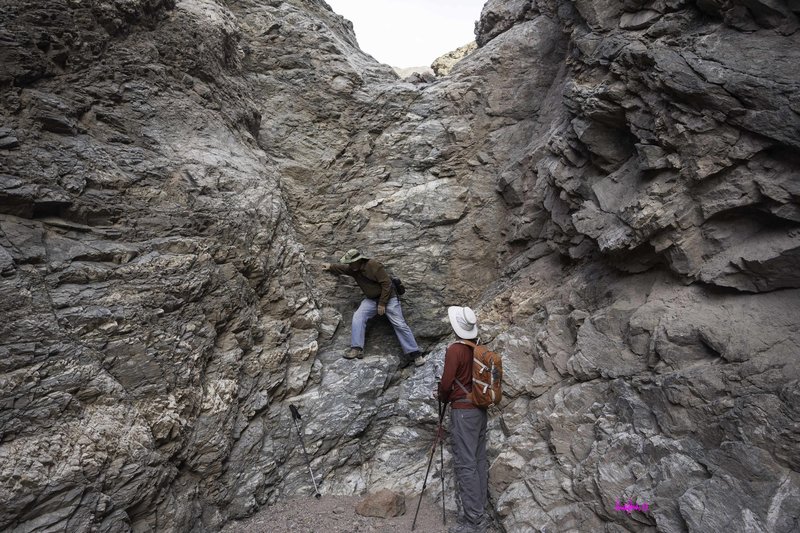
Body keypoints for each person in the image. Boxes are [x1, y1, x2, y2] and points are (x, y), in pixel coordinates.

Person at [436, 306, 491, 533]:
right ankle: (482, 512)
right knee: (478, 460)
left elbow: (447, 384)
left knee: (466, 464)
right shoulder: (478, 349)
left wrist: (439, 394)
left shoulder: (455, 350)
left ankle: (473, 522)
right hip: (480, 409)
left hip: (463, 411)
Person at [322, 249, 422, 366]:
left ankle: (415, 354)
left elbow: (387, 284)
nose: (349, 265)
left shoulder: (373, 265)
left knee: (399, 324)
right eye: (348, 263)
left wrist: (382, 303)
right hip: (371, 300)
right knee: (358, 316)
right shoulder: (353, 269)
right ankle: (357, 348)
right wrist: (330, 266)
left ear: (359, 260)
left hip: (389, 299)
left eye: (351, 262)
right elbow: (342, 269)